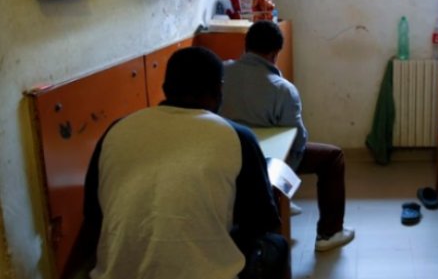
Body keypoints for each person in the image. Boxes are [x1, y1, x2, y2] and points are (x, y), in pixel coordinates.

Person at [62, 46, 287, 279]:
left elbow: (94, 216)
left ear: (165, 88)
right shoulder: (237, 136)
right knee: (275, 244)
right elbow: (262, 222)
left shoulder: (116, 130)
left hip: (115, 274)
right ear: (219, 89)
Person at [219, 20, 355, 252]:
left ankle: (281, 197)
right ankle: (329, 233)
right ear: (275, 54)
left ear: (246, 46)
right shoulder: (282, 89)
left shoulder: (220, 72)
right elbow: (298, 140)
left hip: (224, 155)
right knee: (333, 157)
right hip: (264, 163)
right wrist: (286, 179)